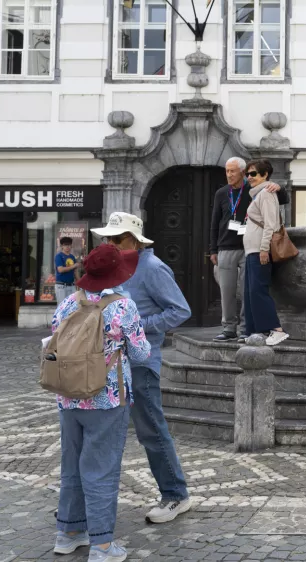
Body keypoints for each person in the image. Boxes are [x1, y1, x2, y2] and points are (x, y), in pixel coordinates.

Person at [91, 212, 194, 523]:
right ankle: (86, 502)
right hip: (107, 361)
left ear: (134, 241)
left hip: (140, 362)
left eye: (116, 238)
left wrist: (138, 326)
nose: (109, 243)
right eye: (107, 238)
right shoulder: (113, 268)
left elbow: (180, 310)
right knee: (99, 432)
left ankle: (176, 494)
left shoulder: (152, 268)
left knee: (151, 430)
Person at [51, 244, 151, 562]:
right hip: (107, 398)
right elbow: (141, 352)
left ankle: (68, 533)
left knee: (72, 466)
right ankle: (103, 545)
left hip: (68, 396)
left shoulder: (68, 302)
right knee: (101, 470)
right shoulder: (122, 307)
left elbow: (53, 338)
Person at [209, 156, 288, 342]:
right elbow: (214, 222)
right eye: (227, 171)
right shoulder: (222, 193)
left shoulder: (255, 190)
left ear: (242, 172)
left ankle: (246, 328)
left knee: (249, 291)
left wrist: (279, 187)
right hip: (226, 246)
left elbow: (281, 200)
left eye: (232, 171)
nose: (229, 175)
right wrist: (213, 249)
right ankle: (228, 328)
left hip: (249, 248)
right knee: (227, 290)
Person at [242, 159, 289, 346]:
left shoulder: (267, 193)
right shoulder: (257, 194)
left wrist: (263, 249)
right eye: (248, 174)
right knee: (250, 293)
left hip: (259, 251)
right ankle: (256, 332)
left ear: (265, 175)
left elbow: (271, 224)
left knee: (258, 291)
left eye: (253, 174)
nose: (249, 177)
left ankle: (276, 330)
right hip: (251, 251)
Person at [54, 237, 79, 304]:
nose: (68, 247)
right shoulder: (58, 256)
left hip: (72, 285)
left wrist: (79, 282)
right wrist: (74, 266)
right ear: (62, 246)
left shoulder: (72, 257)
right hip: (61, 286)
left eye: (69, 245)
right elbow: (60, 269)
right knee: (62, 307)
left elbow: (75, 272)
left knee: (72, 306)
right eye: (65, 245)